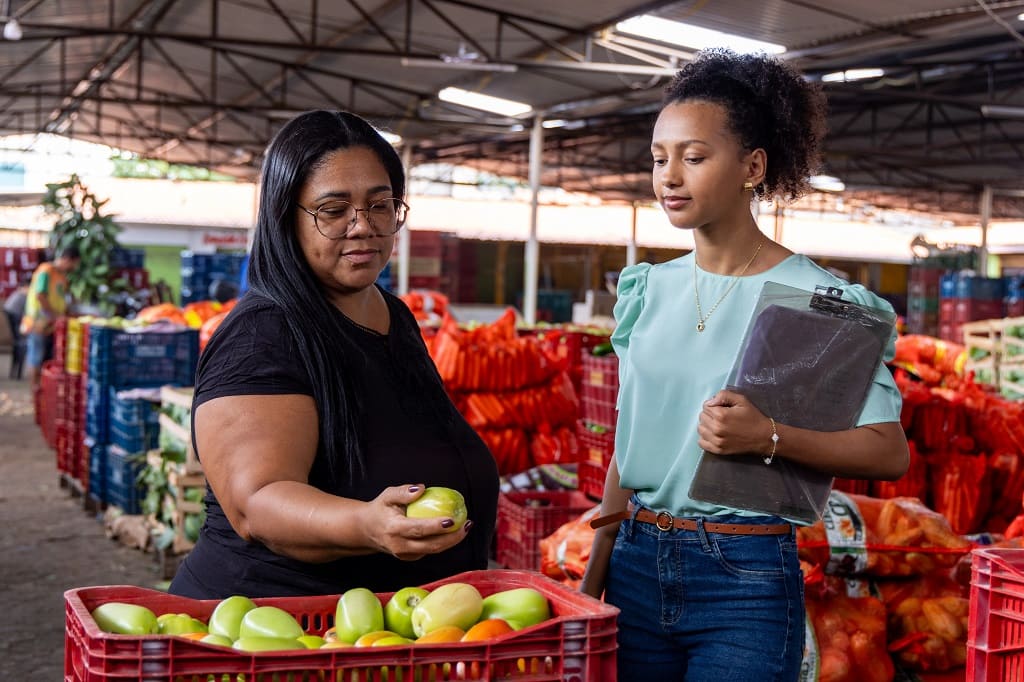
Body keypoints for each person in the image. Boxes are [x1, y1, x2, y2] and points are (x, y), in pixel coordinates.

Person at [580, 50, 910, 681]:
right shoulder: (648, 290)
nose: (670, 176)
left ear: (752, 167)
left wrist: (769, 438)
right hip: (635, 562)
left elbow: (887, 451)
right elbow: (631, 438)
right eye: (659, 158)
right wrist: (596, 570)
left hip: (745, 578)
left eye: (694, 157)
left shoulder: (821, 303)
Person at [169, 110, 499, 599]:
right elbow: (257, 502)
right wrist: (366, 523)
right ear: (287, 218)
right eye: (333, 209)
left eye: (380, 205)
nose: (362, 226)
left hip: (380, 633)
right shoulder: (262, 334)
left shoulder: (394, 316)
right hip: (274, 634)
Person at [20, 246, 80, 390]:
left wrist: (67, 312)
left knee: (47, 357)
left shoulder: (62, 276)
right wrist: (55, 315)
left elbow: (63, 298)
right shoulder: (46, 271)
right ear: (67, 259)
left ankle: (44, 387)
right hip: (38, 323)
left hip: (52, 324)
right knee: (37, 355)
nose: (74, 267)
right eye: (75, 263)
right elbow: (40, 295)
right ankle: (35, 388)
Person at [4, 273, 31, 379]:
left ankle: (16, 372)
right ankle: (17, 373)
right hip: (13, 313)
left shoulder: (22, 290)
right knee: (20, 342)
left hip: (11, 312)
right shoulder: (25, 291)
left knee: (19, 342)